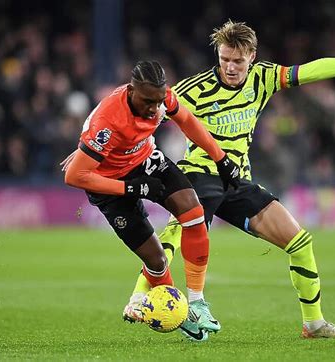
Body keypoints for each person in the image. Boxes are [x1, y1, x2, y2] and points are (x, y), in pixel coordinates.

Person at [62, 22, 335, 341]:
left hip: (236, 178)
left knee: (299, 241)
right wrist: (88, 149)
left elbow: (312, 70)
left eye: (238, 60)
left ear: (252, 56)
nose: (231, 67)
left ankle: (315, 323)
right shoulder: (193, 89)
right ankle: (141, 299)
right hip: (200, 172)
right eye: (224, 59)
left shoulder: (264, 78)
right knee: (178, 232)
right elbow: (137, 111)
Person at [63, 60, 240, 338]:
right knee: (156, 261)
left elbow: (188, 122)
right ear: (131, 90)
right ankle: (180, 314)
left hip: (145, 161)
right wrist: (133, 189)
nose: (154, 109)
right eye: (147, 101)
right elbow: (74, 176)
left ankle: (197, 303)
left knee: (194, 212)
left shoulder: (161, 96)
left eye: (158, 102)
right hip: (110, 184)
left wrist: (221, 158)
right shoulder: (107, 122)